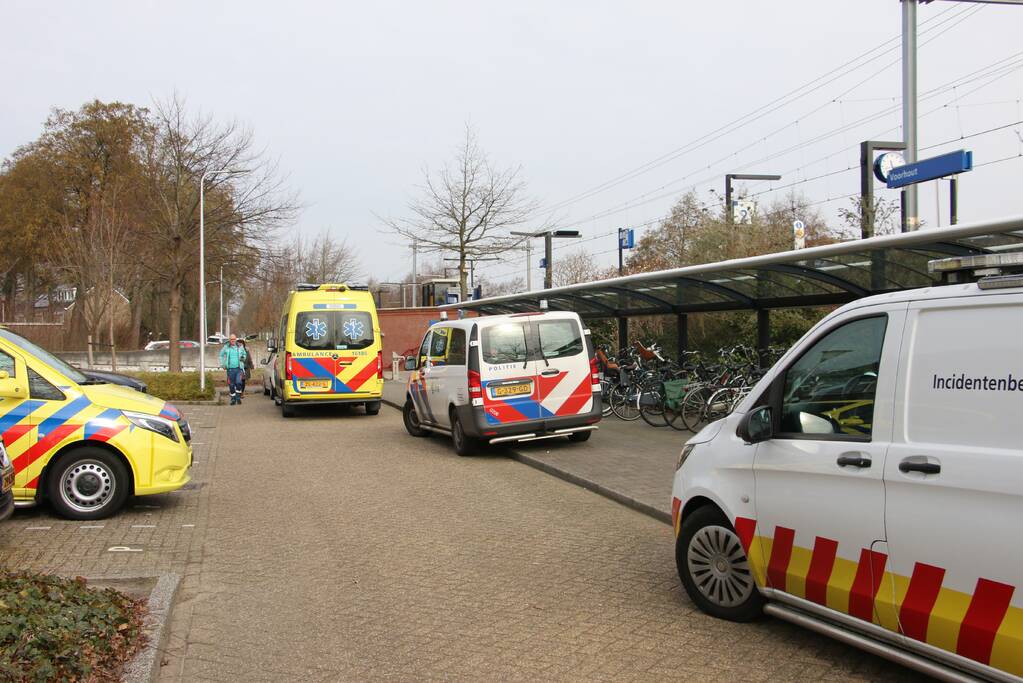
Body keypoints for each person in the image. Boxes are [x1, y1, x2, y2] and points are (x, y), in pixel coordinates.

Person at [219, 334, 248, 405]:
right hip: (230, 369)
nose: (233, 341)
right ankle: (233, 399)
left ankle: (238, 397)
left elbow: (244, 354)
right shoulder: (226, 347)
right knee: (231, 385)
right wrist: (223, 364)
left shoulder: (240, 346)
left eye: (234, 339)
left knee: (239, 383)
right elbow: (221, 355)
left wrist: (243, 357)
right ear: (229, 340)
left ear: (236, 339)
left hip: (239, 369)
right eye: (231, 339)